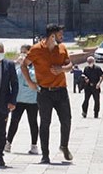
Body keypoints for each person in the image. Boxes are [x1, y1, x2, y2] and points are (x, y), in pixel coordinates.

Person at [22, 23, 74, 164]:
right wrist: (30, 82)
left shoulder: (62, 48)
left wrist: (62, 69)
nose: (62, 37)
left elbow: (70, 65)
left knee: (67, 120)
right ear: (52, 36)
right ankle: (45, 155)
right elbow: (23, 65)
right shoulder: (36, 49)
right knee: (45, 123)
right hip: (45, 92)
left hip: (61, 91)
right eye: (60, 35)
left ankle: (64, 146)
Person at [5, 45, 39, 155]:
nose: (23, 54)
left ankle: (34, 145)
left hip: (32, 100)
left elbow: (34, 78)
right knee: (14, 122)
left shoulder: (35, 66)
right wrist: (18, 64)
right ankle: (8, 143)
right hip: (18, 100)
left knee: (33, 122)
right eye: (21, 52)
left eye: (25, 52)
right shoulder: (18, 66)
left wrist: (25, 66)